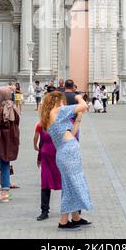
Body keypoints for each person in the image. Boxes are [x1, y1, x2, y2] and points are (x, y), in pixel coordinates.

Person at [41, 91, 92, 229]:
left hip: (65, 153)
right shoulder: (59, 110)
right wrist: (79, 98)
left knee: (70, 184)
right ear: (57, 101)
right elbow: (84, 105)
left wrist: (78, 119)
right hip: (68, 154)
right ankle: (63, 221)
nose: (64, 103)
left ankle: (75, 218)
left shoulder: (49, 116)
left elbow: (72, 133)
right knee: (71, 185)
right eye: (62, 100)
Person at [34, 123, 62, 221]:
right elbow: (41, 142)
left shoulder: (62, 123)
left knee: (67, 183)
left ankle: (75, 209)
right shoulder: (42, 125)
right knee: (45, 183)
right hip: (46, 159)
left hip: (59, 158)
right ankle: (44, 211)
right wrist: (39, 157)